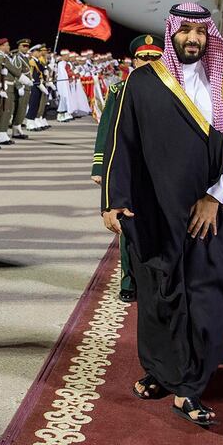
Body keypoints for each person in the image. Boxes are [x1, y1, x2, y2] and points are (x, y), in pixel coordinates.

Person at [102, 2, 223, 425]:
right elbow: (123, 145)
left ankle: (186, 376)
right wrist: (114, 201)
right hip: (157, 213)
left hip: (212, 214)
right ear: (172, 34)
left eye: (200, 32)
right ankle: (172, 378)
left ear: (210, 37)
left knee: (214, 300)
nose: (193, 38)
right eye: (185, 30)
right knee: (160, 298)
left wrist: (214, 196)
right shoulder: (142, 83)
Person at [92, 34, 161, 303]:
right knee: (127, 226)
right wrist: (100, 166)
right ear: (134, 60)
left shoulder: (172, 90)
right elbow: (106, 130)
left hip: (158, 171)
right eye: (144, 57)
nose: (149, 62)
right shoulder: (118, 91)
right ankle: (129, 280)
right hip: (127, 168)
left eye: (155, 57)